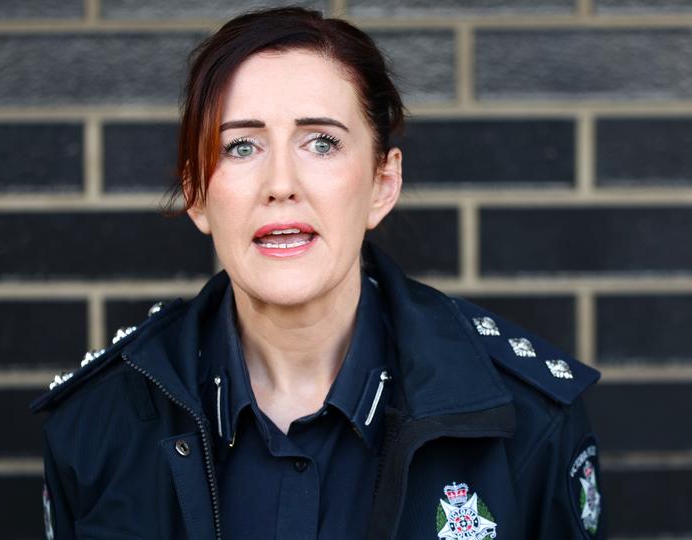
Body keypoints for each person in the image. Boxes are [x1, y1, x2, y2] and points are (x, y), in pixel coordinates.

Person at [31, 6, 605, 540]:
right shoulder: (95, 424)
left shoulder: (527, 418)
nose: (281, 183)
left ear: (383, 182)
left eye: (322, 142)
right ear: (197, 195)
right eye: (241, 147)